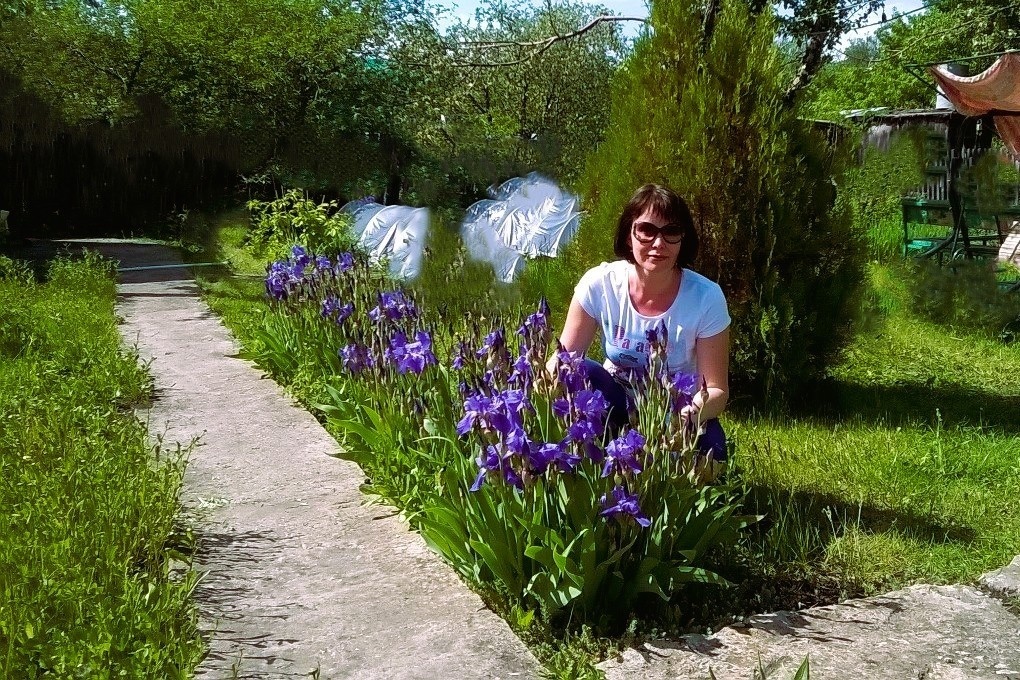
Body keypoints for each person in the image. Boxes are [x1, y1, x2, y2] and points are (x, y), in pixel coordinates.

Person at [553, 184, 730, 461]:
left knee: (713, 448)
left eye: (671, 232)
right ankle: (587, 455)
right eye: (647, 230)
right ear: (629, 235)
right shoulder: (600, 284)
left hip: (675, 408)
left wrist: (687, 417)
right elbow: (564, 359)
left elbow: (717, 390)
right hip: (615, 399)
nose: (658, 243)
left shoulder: (706, 297)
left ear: (683, 239)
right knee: (580, 369)